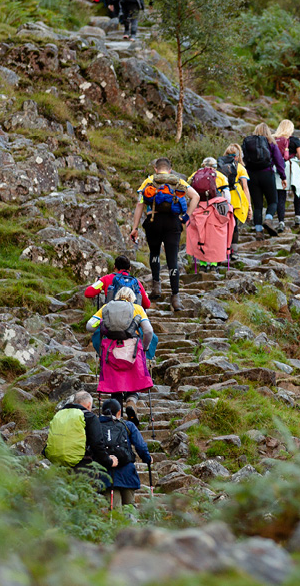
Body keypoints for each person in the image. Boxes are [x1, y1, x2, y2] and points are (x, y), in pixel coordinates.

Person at [130, 157, 200, 312]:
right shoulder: (177, 181)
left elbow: (140, 204)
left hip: (153, 221)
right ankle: (175, 297)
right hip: (173, 223)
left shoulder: (149, 181)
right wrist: (186, 217)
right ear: (169, 169)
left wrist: (134, 227)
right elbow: (196, 196)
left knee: (154, 253)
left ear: (156, 168)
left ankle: (156, 286)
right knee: (172, 259)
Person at [86, 286, 158, 427]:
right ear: (132, 297)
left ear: (117, 296)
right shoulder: (137, 308)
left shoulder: (106, 308)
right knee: (133, 382)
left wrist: (102, 324)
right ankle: (131, 402)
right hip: (132, 351)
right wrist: (145, 347)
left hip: (110, 351)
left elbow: (89, 326)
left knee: (115, 386)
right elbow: (148, 331)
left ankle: (116, 419)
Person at [44, 390, 118, 473]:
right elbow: (97, 444)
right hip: (81, 466)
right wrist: (109, 461)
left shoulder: (60, 414)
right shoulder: (89, 417)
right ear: (89, 405)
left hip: (57, 463)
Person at [98, 398, 153, 508]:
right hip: (127, 472)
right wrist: (147, 458)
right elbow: (140, 446)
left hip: (106, 474)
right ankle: (131, 525)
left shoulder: (95, 426)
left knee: (114, 509)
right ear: (119, 412)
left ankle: (117, 525)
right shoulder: (127, 425)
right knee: (129, 508)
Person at [242, 123, 286, 236]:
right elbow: (279, 161)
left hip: (251, 175)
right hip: (267, 173)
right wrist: (283, 176)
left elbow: (243, 159)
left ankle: (258, 231)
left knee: (257, 205)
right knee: (273, 201)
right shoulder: (270, 142)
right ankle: (268, 218)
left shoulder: (248, 143)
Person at [273, 120, 300, 229]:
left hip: (278, 168)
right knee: (298, 191)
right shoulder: (294, 140)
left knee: (281, 196)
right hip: (292, 167)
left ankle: (281, 222)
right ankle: (297, 216)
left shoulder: (274, 140)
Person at [84, 255, 151, 310]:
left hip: (111, 319)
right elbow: (147, 305)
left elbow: (88, 293)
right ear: (129, 268)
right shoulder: (136, 282)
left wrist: (96, 283)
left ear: (114, 267)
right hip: (131, 321)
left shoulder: (106, 279)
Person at [219, 144, 252, 253]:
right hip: (235, 200)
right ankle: (233, 251)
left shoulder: (219, 166)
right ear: (238, 156)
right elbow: (245, 188)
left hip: (221, 198)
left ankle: (221, 249)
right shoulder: (240, 168)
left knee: (222, 224)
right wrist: (249, 206)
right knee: (234, 225)